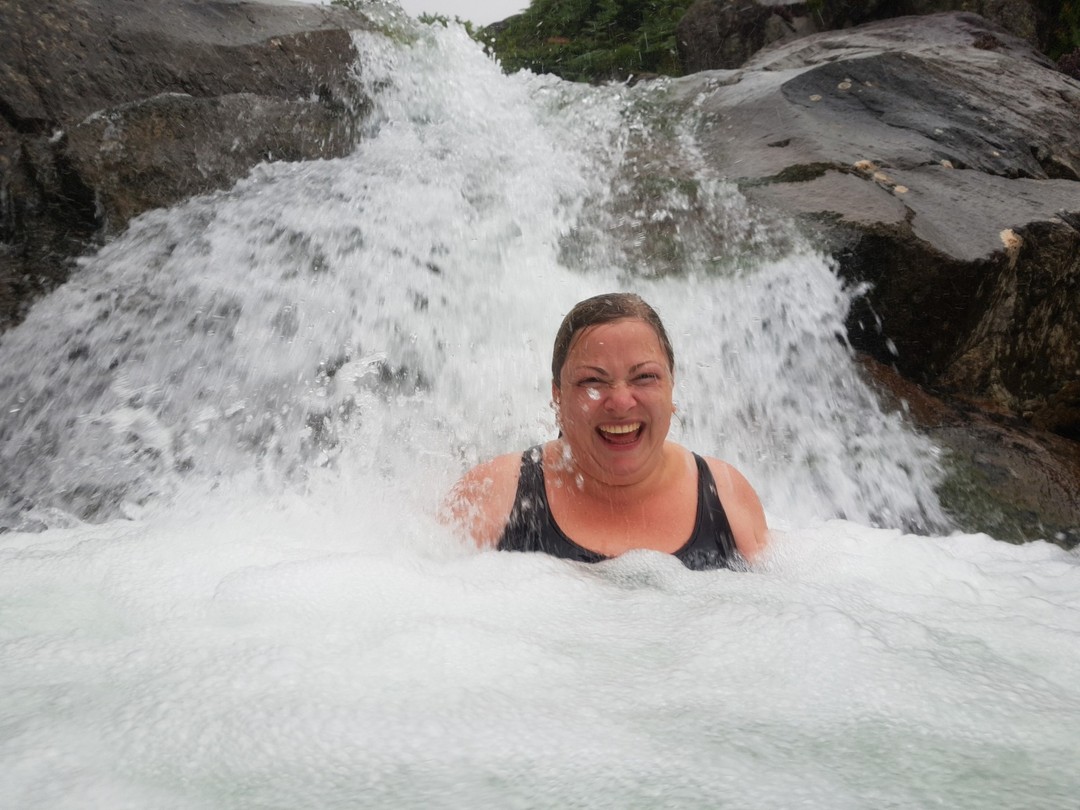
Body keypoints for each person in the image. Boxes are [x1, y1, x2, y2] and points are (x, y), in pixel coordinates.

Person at [443, 293, 768, 570]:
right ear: (558, 397)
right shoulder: (494, 497)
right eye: (592, 381)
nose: (621, 402)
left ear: (672, 385)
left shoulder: (725, 497)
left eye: (645, 377)